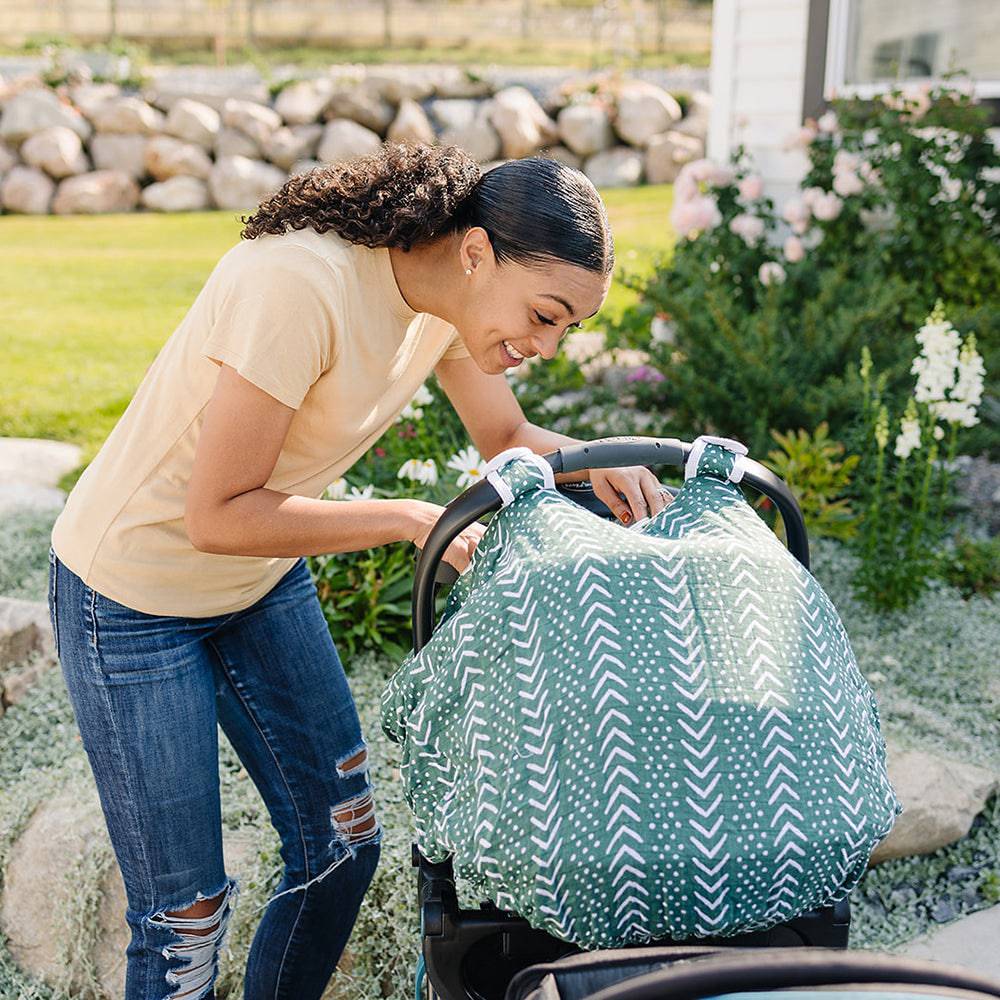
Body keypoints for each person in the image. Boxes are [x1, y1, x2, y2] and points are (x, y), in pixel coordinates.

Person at [46, 139, 672, 1000]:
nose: (550, 344)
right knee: (183, 917)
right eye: (546, 313)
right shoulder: (300, 285)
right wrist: (411, 519)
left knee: (342, 844)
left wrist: (602, 459)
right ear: (477, 253)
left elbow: (507, 438)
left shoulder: (451, 301)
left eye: (569, 326)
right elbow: (216, 511)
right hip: (129, 596)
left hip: (256, 578)